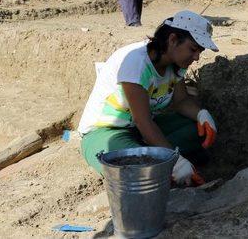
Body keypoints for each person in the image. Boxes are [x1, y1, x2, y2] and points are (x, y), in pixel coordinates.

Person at [78, 10, 219, 186]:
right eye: (193, 49)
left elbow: (181, 101)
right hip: (106, 132)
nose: (197, 57)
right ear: (173, 40)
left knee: (195, 130)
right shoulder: (136, 62)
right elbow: (142, 121)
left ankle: (157, 157)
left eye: (200, 51)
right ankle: (160, 163)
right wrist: (175, 160)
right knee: (140, 170)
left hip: (140, 132)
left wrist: (201, 115)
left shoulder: (175, 64)